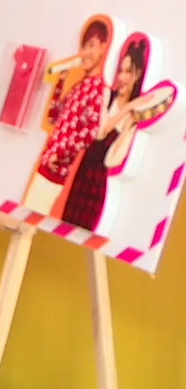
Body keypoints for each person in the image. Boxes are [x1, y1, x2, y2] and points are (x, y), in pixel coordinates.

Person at [54, 35, 175, 234]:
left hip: (102, 185)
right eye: (121, 70)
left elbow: (115, 158)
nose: (122, 77)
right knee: (66, 225)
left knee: (87, 231)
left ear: (138, 75)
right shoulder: (106, 96)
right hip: (83, 177)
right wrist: (126, 109)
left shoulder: (135, 115)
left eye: (129, 71)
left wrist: (130, 121)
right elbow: (100, 132)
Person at [23, 17, 112, 215]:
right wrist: (60, 82)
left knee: (32, 217)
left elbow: (90, 132)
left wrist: (61, 155)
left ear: (103, 47)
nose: (86, 53)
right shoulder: (79, 85)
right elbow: (54, 117)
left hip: (57, 170)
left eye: (92, 46)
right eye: (84, 47)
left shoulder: (97, 88)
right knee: (27, 212)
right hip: (46, 163)